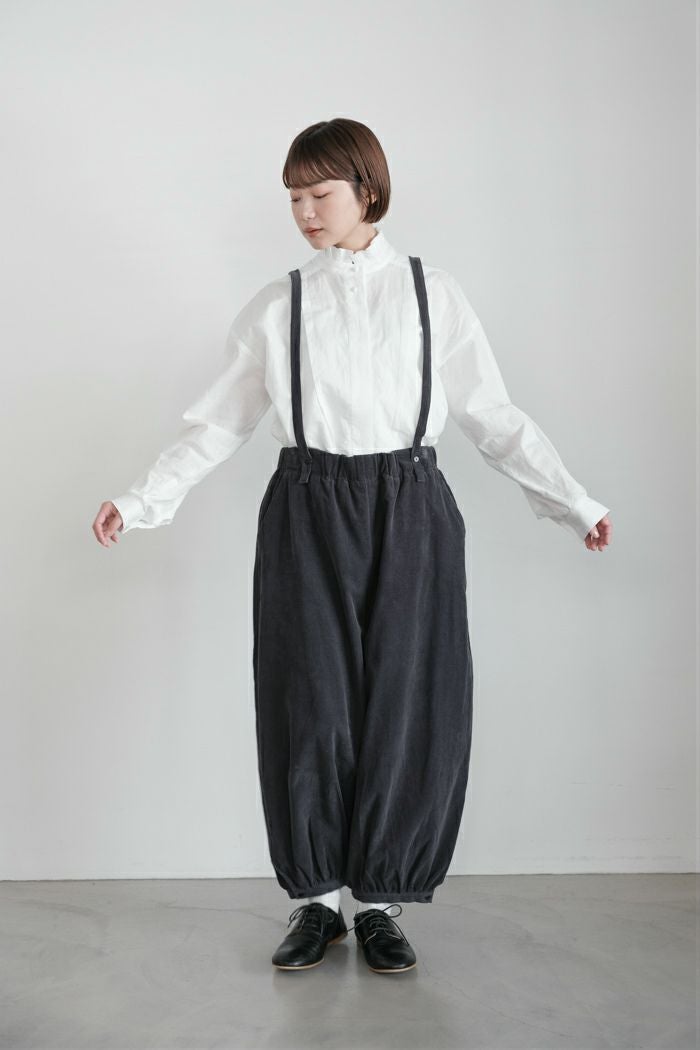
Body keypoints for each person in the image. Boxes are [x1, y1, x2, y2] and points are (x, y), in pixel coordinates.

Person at [93, 117, 613, 975]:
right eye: (293, 197)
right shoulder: (280, 305)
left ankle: (377, 903)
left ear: (367, 190)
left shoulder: (432, 294)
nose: (304, 211)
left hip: (412, 503)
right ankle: (316, 904)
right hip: (307, 504)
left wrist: (572, 501)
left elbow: (491, 415)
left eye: (319, 194)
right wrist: (140, 499)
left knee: (408, 700)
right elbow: (219, 424)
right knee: (309, 701)